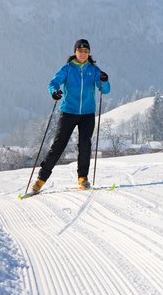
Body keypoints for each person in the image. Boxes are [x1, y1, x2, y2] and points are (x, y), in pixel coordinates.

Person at [30, 39, 110, 193]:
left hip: (87, 113)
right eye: (80, 51)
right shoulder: (67, 69)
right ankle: (40, 180)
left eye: (86, 51)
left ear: (88, 53)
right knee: (58, 145)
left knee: (85, 146)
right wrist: (54, 92)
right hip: (68, 112)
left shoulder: (93, 70)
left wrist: (105, 81)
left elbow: (104, 90)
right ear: (75, 52)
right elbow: (53, 83)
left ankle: (83, 179)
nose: (83, 54)